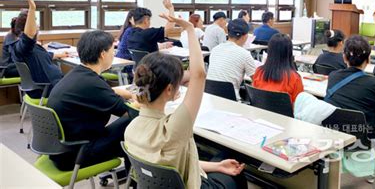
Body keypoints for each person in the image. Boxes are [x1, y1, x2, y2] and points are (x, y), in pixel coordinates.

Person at [124, 13, 247, 189]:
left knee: (219, 161)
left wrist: (217, 167)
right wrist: (190, 29)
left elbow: (172, 166)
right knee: (234, 171)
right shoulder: (174, 127)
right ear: (168, 89)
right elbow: (198, 75)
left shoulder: (132, 128)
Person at [48, 30, 133, 170]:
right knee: (134, 122)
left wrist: (125, 93)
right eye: (113, 50)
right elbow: (128, 111)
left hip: (60, 149)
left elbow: (101, 92)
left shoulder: (78, 75)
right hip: (77, 155)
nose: (114, 54)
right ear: (103, 54)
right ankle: (138, 178)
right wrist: (139, 98)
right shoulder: (93, 84)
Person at [8, 0, 69, 98]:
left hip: (53, 84)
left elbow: (40, 58)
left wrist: (57, 54)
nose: (38, 25)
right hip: (47, 88)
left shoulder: (27, 47)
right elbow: (29, 36)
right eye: (35, 21)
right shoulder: (21, 47)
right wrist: (32, 8)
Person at [207, 19, 256, 101]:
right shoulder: (244, 54)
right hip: (232, 101)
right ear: (245, 36)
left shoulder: (215, 49)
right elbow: (257, 81)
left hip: (210, 98)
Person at [252, 33, 304, 105]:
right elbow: (298, 105)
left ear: (270, 50)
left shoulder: (259, 72)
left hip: (261, 113)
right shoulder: (295, 78)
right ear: (289, 52)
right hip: (284, 115)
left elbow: (255, 95)